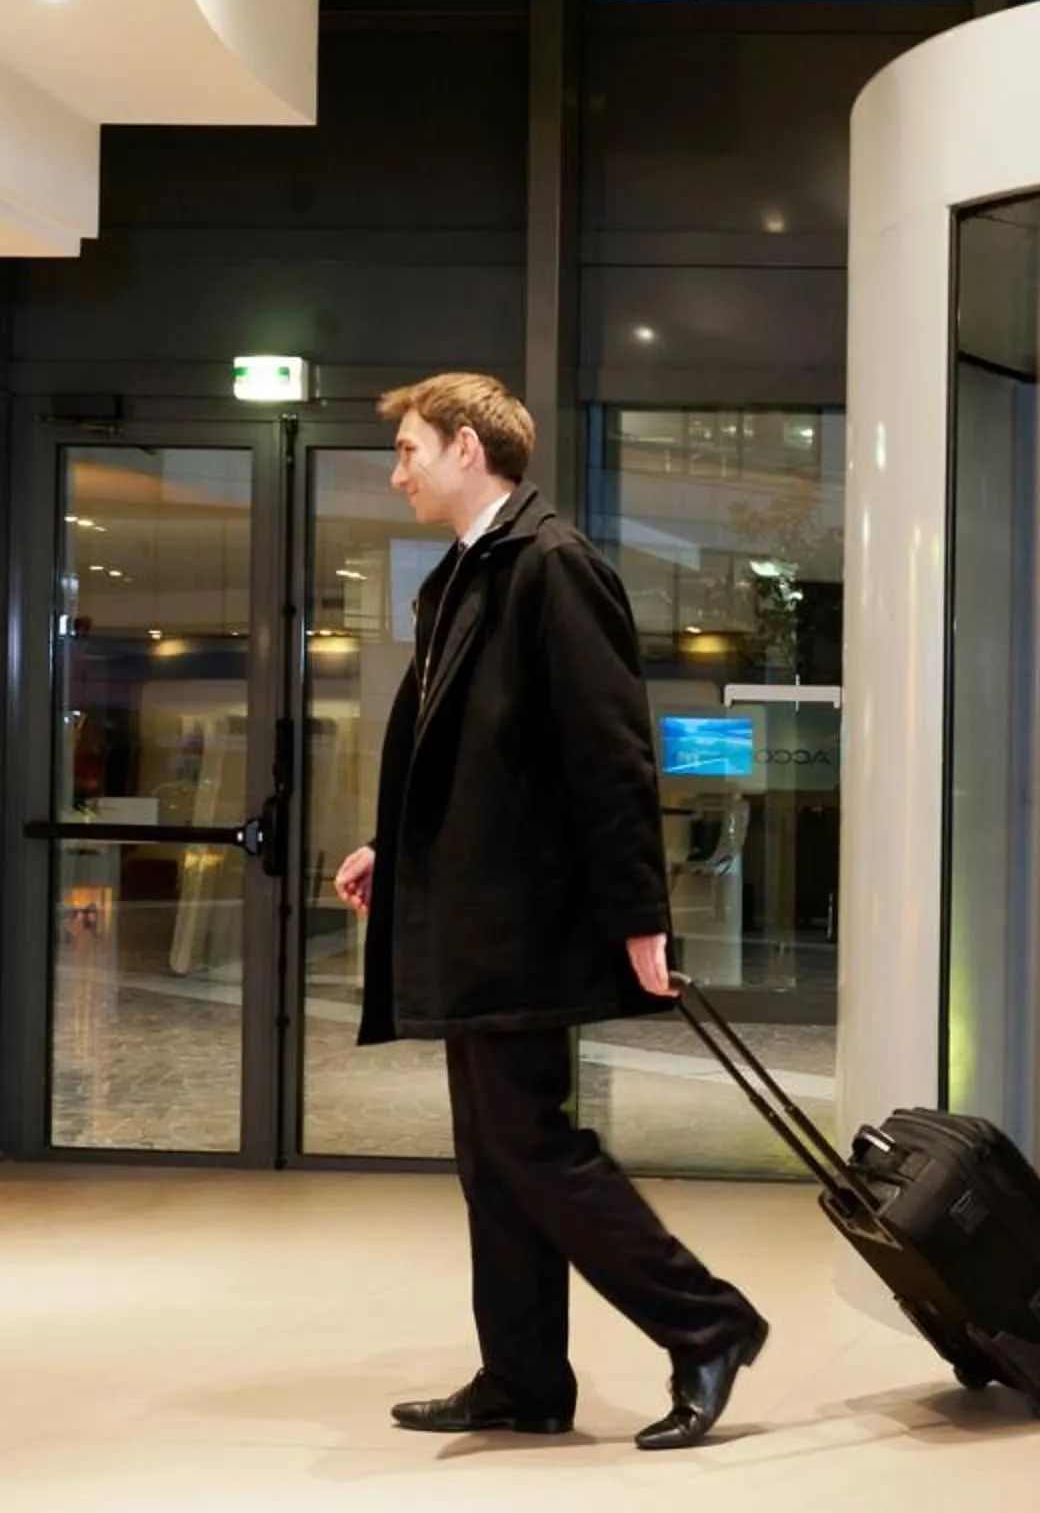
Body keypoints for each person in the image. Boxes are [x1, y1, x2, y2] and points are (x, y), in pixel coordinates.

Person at [335, 373, 767, 1450]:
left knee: (532, 1145)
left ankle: (707, 1322)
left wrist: (640, 913)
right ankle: (522, 1376)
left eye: (409, 450)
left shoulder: (552, 567)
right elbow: (463, 756)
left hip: (523, 920)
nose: (398, 472)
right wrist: (393, 847)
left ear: (470, 449)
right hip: (478, 916)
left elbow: (609, 754)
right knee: (493, 1152)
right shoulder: (466, 576)